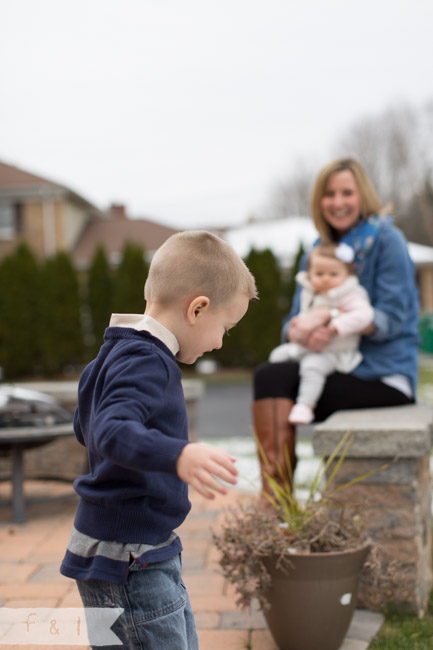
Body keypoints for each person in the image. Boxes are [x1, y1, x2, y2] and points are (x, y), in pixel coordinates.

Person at [60, 230, 257, 650]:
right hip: (130, 563)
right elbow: (109, 430)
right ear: (198, 308)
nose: (221, 341)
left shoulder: (112, 352)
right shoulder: (148, 361)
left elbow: (86, 427)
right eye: (226, 326)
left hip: (132, 550)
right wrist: (178, 453)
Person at [253, 157, 419, 495]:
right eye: (329, 194)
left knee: (278, 380)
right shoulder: (317, 252)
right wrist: (299, 331)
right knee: (269, 374)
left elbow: (394, 318)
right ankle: (275, 499)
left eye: (347, 192)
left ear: (363, 196)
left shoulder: (388, 241)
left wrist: (333, 321)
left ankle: (276, 504)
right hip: (328, 364)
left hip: (381, 372)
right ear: (319, 200)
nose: (338, 202)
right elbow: (294, 318)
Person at [269, 242, 374, 425]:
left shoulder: (350, 294)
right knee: (277, 356)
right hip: (305, 346)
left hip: (334, 352)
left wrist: (336, 326)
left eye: (333, 274)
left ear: (347, 274)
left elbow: (365, 315)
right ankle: (278, 409)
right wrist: (298, 323)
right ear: (310, 274)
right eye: (319, 274)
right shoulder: (310, 292)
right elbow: (305, 314)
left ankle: (305, 405)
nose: (326, 279)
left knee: (312, 367)